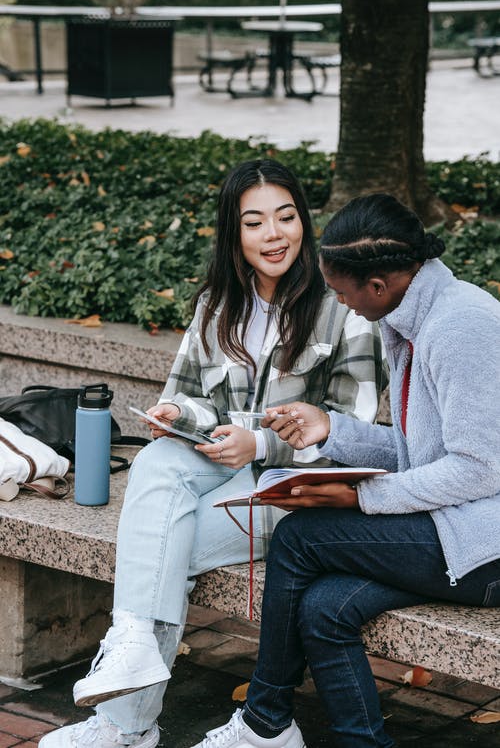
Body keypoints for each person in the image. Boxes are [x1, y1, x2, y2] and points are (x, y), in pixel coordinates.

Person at [39, 162, 386, 748]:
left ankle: (127, 725)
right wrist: (180, 417)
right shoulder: (218, 305)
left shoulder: (341, 307)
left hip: (295, 487)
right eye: (254, 222)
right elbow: (187, 398)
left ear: (305, 221)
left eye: (286, 217)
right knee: (154, 463)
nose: (273, 235)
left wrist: (265, 443)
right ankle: (131, 646)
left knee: (166, 546)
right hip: (217, 463)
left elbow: (356, 429)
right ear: (234, 233)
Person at [193, 193, 500, 748]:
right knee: (323, 608)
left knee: (300, 539)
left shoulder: (461, 326)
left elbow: (479, 469)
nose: (344, 304)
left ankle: (265, 723)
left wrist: (359, 499)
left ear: (377, 286)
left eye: (341, 292)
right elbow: (421, 453)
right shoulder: (414, 315)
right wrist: (331, 429)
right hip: (456, 528)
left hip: (485, 545)